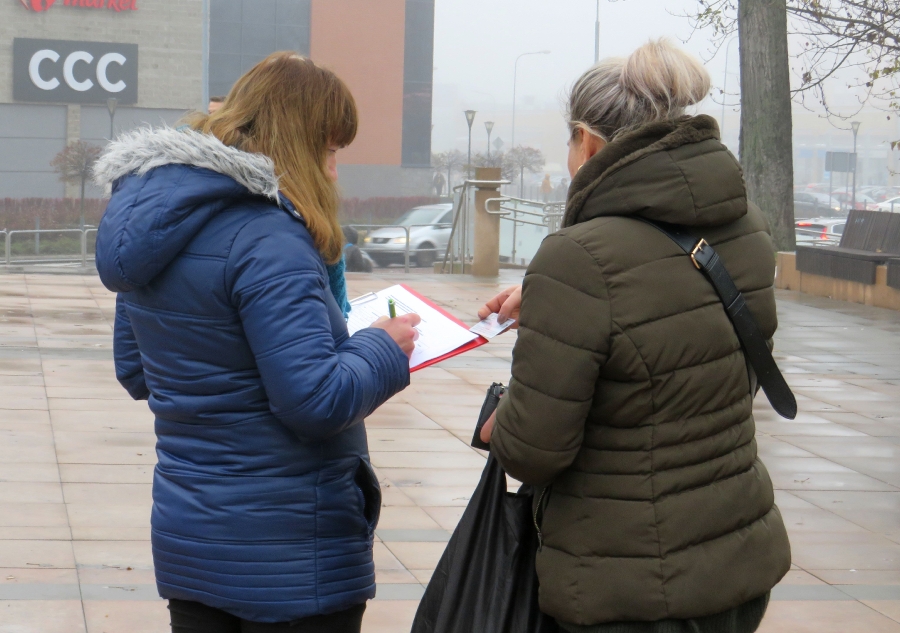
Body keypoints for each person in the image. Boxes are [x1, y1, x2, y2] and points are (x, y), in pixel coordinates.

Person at [93, 52, 420, 632]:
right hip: (290, 555)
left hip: (191, 540)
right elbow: (315, 401)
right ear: (295, 143)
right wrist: (382, 347)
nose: (333, 171)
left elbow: (135, 370)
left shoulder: (161, 227)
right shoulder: (270, 237)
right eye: (329, 150)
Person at [477, 39, 790, 633]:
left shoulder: (578, 258)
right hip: (736, 561)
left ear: (587, 140)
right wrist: (557, 302)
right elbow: (705, 364)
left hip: (630, 586)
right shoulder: (746, 229)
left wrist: (497, 419)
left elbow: (533, 450)